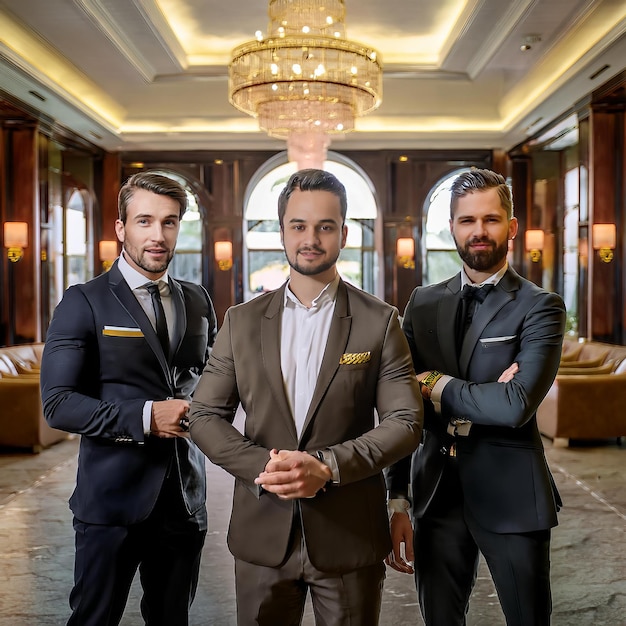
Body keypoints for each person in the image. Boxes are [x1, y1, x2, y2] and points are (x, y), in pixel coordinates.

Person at [188, 168, 423, 626]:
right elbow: (203, 415)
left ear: (344, 233)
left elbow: (405, 422)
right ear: (281, 232)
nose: (310, 238)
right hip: (261, 535)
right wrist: (266, 469)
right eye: (298, 225)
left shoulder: (380, 321)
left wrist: (328, 465)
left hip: (349, 535)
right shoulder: (241, 321)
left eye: (324, 226)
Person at [385, 168, 566, 626]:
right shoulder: (422, 302)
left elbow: (515, 406)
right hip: (434, 493)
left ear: (512, 225)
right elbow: (401, 405)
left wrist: (434, 384)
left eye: (490, 219)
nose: (479, 231)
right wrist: (397, 496)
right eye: (467, 220)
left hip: (511, 492)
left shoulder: (540, 306)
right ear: (452, 227)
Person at [40, 172, 217, 626]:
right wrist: (145, 417)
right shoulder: (84, 301)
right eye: (144, 221)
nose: (158, 236)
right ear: (121, 228)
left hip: (184, 498)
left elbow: (212, 384)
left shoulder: (197, 300)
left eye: (170, 222)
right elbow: (58, 404)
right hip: (111, 503)